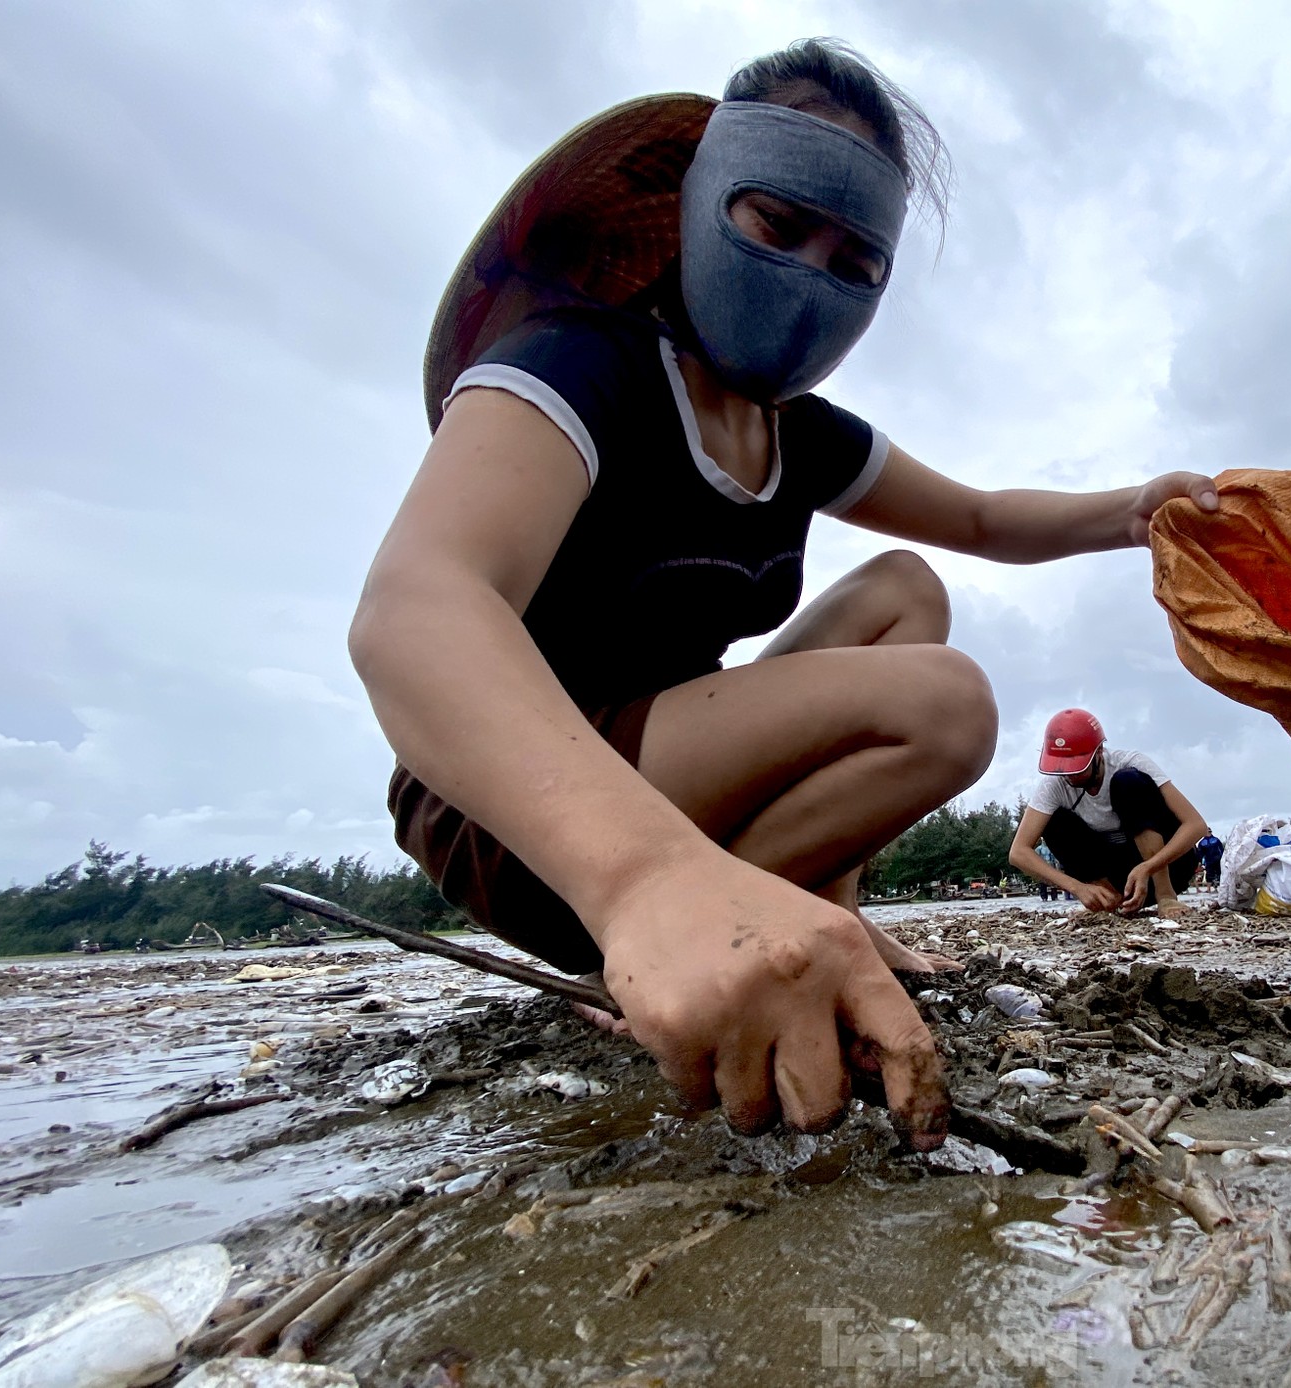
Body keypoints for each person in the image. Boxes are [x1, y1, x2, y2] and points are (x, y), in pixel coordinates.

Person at [349, 40, 1220, 1150]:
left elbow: (984, 520)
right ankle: (699, 929)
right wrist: (642, 881)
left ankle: (818, 912)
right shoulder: (581, 364)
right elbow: (415, 605)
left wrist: (1133, 510)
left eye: (856, 260)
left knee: (906, 585)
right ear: (701, 206)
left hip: (673, 755)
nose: (812, 274)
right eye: (776, 225)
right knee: (943, 700)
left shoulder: (796, 437)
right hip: (521, 811)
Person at [1006, 710, 1211, 919]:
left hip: (1166, 867)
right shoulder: (1055, 785)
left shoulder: (1129, 762)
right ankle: (1108, 898)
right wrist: (1077, 887)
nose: (1070, 776)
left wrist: (1148, 867)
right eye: (1064, 768)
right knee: (1055, 821)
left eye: (1077, 768)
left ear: (1099, 752)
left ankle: (1165, 895)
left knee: (1127, 782)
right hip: (1120, 879)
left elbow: (1195, 825)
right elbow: (1018, 852)